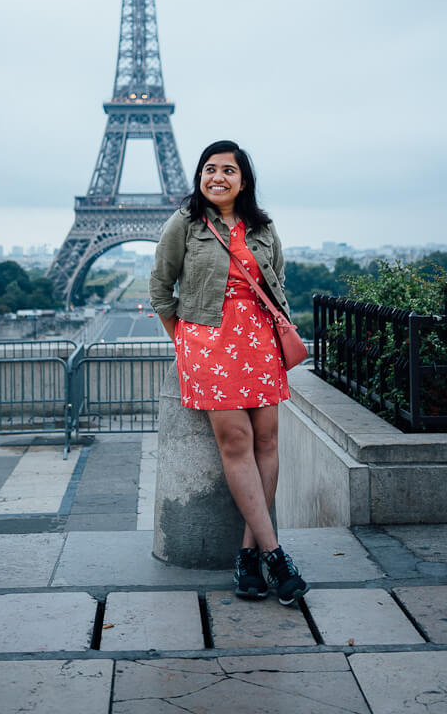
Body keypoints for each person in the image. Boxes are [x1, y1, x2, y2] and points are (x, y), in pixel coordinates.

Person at [149, 140, 309, 605]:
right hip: (208, 343)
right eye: (210, 169)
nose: (217, 177)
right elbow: (160, 287)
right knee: (236, 445)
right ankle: (276, 556)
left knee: (267, 444)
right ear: (200, 176)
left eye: (228, 171)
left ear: (244, 180)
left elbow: (275, 279)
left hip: (258, 343)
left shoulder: (264, 228)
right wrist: (183, 339)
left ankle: (247, 555)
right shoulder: (183, 224)